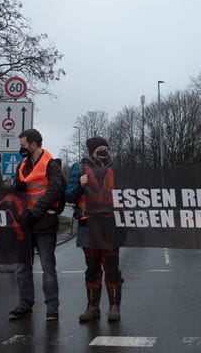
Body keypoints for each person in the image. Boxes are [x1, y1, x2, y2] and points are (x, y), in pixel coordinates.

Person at [8, 129, 65, 322]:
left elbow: (55, 190)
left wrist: (35, 212)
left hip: (44, 223)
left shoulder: (51, 164)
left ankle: (52, 307)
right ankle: (25, 303)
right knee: (23, 267)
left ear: (34, 144)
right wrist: (18, 188)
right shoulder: (22, 165)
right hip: (25, 223)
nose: (21, 149)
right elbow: (19, 188)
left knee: (48, 267)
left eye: (23, 145)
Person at [65, 136, 124, 322]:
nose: (104, 152)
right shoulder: (79, 169)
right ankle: (93, 306)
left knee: (112, 267)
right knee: (92, 267)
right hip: (88, 224)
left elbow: (127, 194)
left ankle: (114, 306)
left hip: (110, 224)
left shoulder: (116, 170)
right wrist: (80, 186)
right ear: (91, 151)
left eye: (106, 148)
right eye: (100, 149)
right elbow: (69, 196)